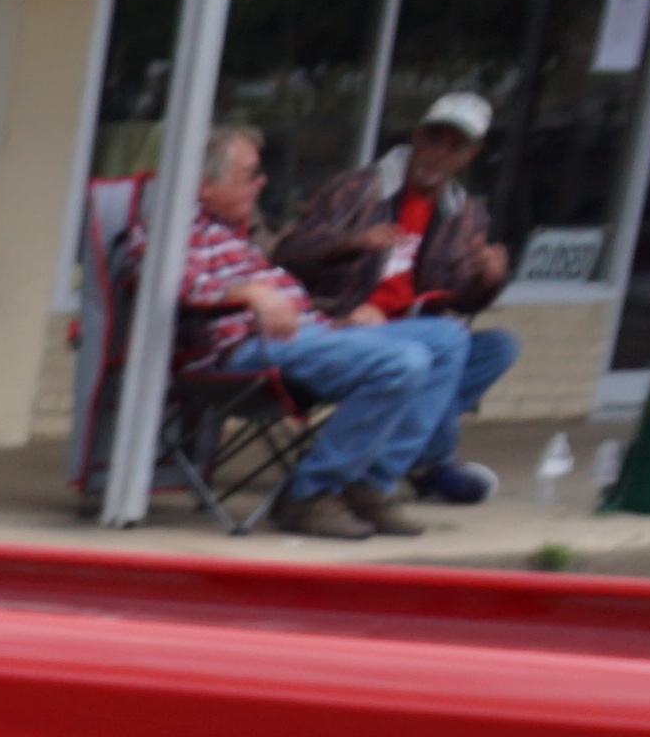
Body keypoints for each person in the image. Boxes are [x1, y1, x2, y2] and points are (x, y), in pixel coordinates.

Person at [171, 126, 465, 536]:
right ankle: (309, 494)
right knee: (403, 361)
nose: (263, 182)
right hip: (240, 348)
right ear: (205, 185)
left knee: (448, 339)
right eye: (250, 175)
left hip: (308, 334)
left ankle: (367, 487)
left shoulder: (241, 235)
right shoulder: (171, 232)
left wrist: (335, 321)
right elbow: (168, 287)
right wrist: (248, 291)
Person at [276, 89, 523, 503]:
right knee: (444, 345)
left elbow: (464, 300)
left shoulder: (465, 212)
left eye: (454, 146)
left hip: (418, 335)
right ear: (416, 135)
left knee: (499, 346)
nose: (438, 154)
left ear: (472, 153)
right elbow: (286, 258)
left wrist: (488, 279)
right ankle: (424, 465)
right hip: (344, 328)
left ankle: (412, 455)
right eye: (433, 139)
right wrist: (350, 243)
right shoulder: (355, 189)